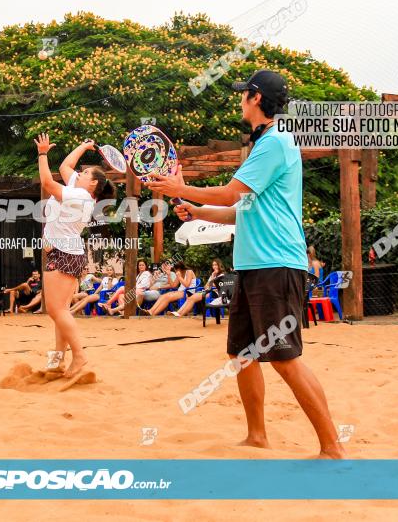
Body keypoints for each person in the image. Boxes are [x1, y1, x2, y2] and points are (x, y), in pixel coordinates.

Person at [148, 69, 345, 459]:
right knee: (243, 356)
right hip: (255, 266)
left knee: (285, 360)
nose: (238, 100)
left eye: (243, 94)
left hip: (276, 265)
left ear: (255, 98)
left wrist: (177, 188)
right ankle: (257, 436)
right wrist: (196, 210)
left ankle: (333, 446)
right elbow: (241, 210)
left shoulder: (274, 143)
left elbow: (230, 192)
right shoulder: (265, 147)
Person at [36, 133, 115, 378]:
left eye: (85, 173)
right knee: (60, 310)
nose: (79, 174)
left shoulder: (80, 196)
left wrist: (42, 153)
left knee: (55, 310)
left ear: (93, 184)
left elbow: (48, 183)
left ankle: (79, 355)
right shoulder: (76, 188)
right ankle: (57, 360)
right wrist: (84, 146)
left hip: (65, 254)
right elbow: (65, 166)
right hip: (68, 253)